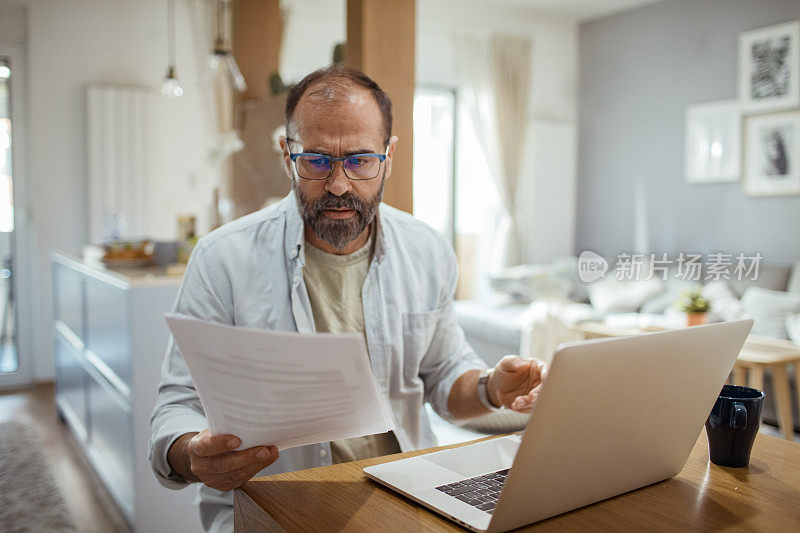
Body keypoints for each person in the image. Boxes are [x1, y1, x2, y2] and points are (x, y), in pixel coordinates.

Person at [148, 64, 548, 532]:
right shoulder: (223, 260)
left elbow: (443, 376)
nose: (338, 184)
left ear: (389, 156)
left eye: (360, 160)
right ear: (286, 155)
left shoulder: (427, 249)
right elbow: (176, 404)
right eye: (316, 161)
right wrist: (191, 454)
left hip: (408, 496)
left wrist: (491, 389)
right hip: (273, 507)